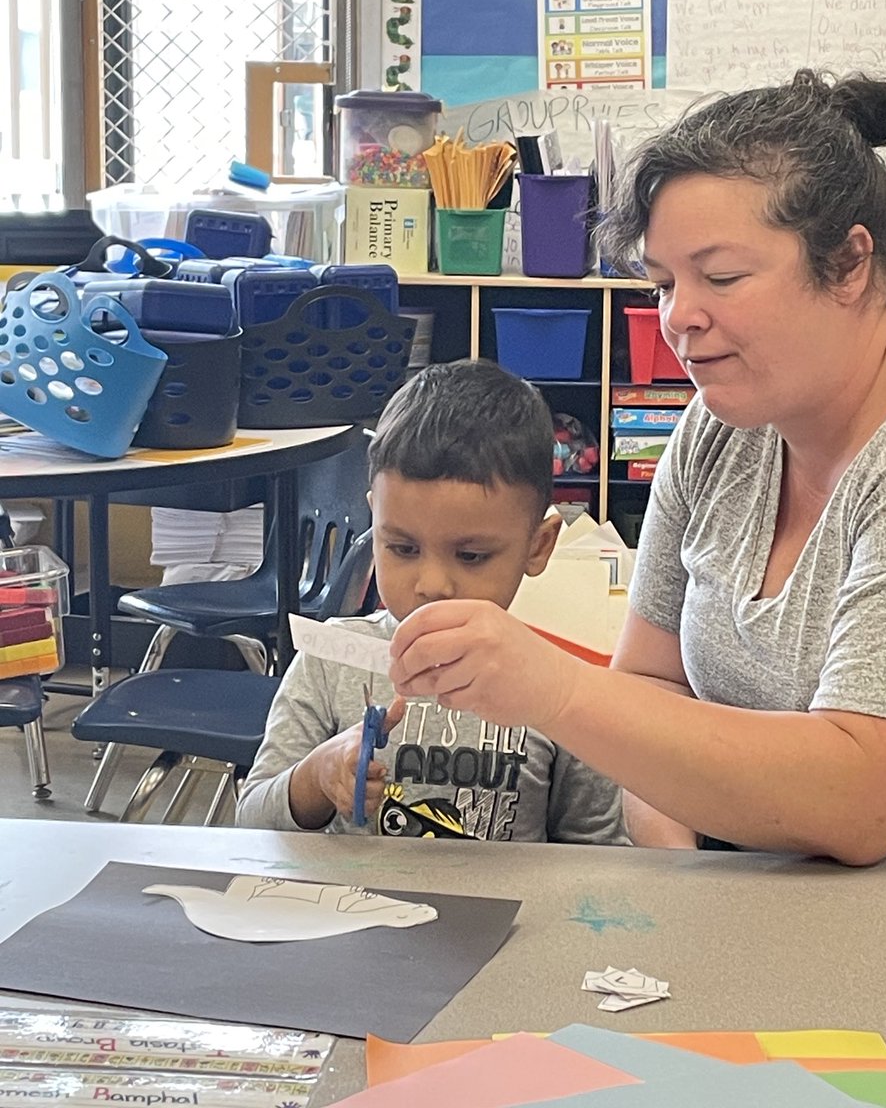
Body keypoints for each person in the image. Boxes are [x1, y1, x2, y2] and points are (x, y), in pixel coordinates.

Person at [388, 69, 886, 866]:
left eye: (721, 278)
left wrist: (557, 689)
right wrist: (681, 863)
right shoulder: (719, 430)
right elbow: (651, 686)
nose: (678, 317)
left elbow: (866, 800)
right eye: (662, 283)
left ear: (849, 263)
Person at [236, 359, 626, 844]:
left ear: (538, 546)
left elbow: (599, 852)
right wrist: (315, 777)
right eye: (402, 548)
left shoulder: (560, 688)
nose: (432, 584)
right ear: (375, 522)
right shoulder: (330, 661)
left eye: (471, 556)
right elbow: (250, 825)